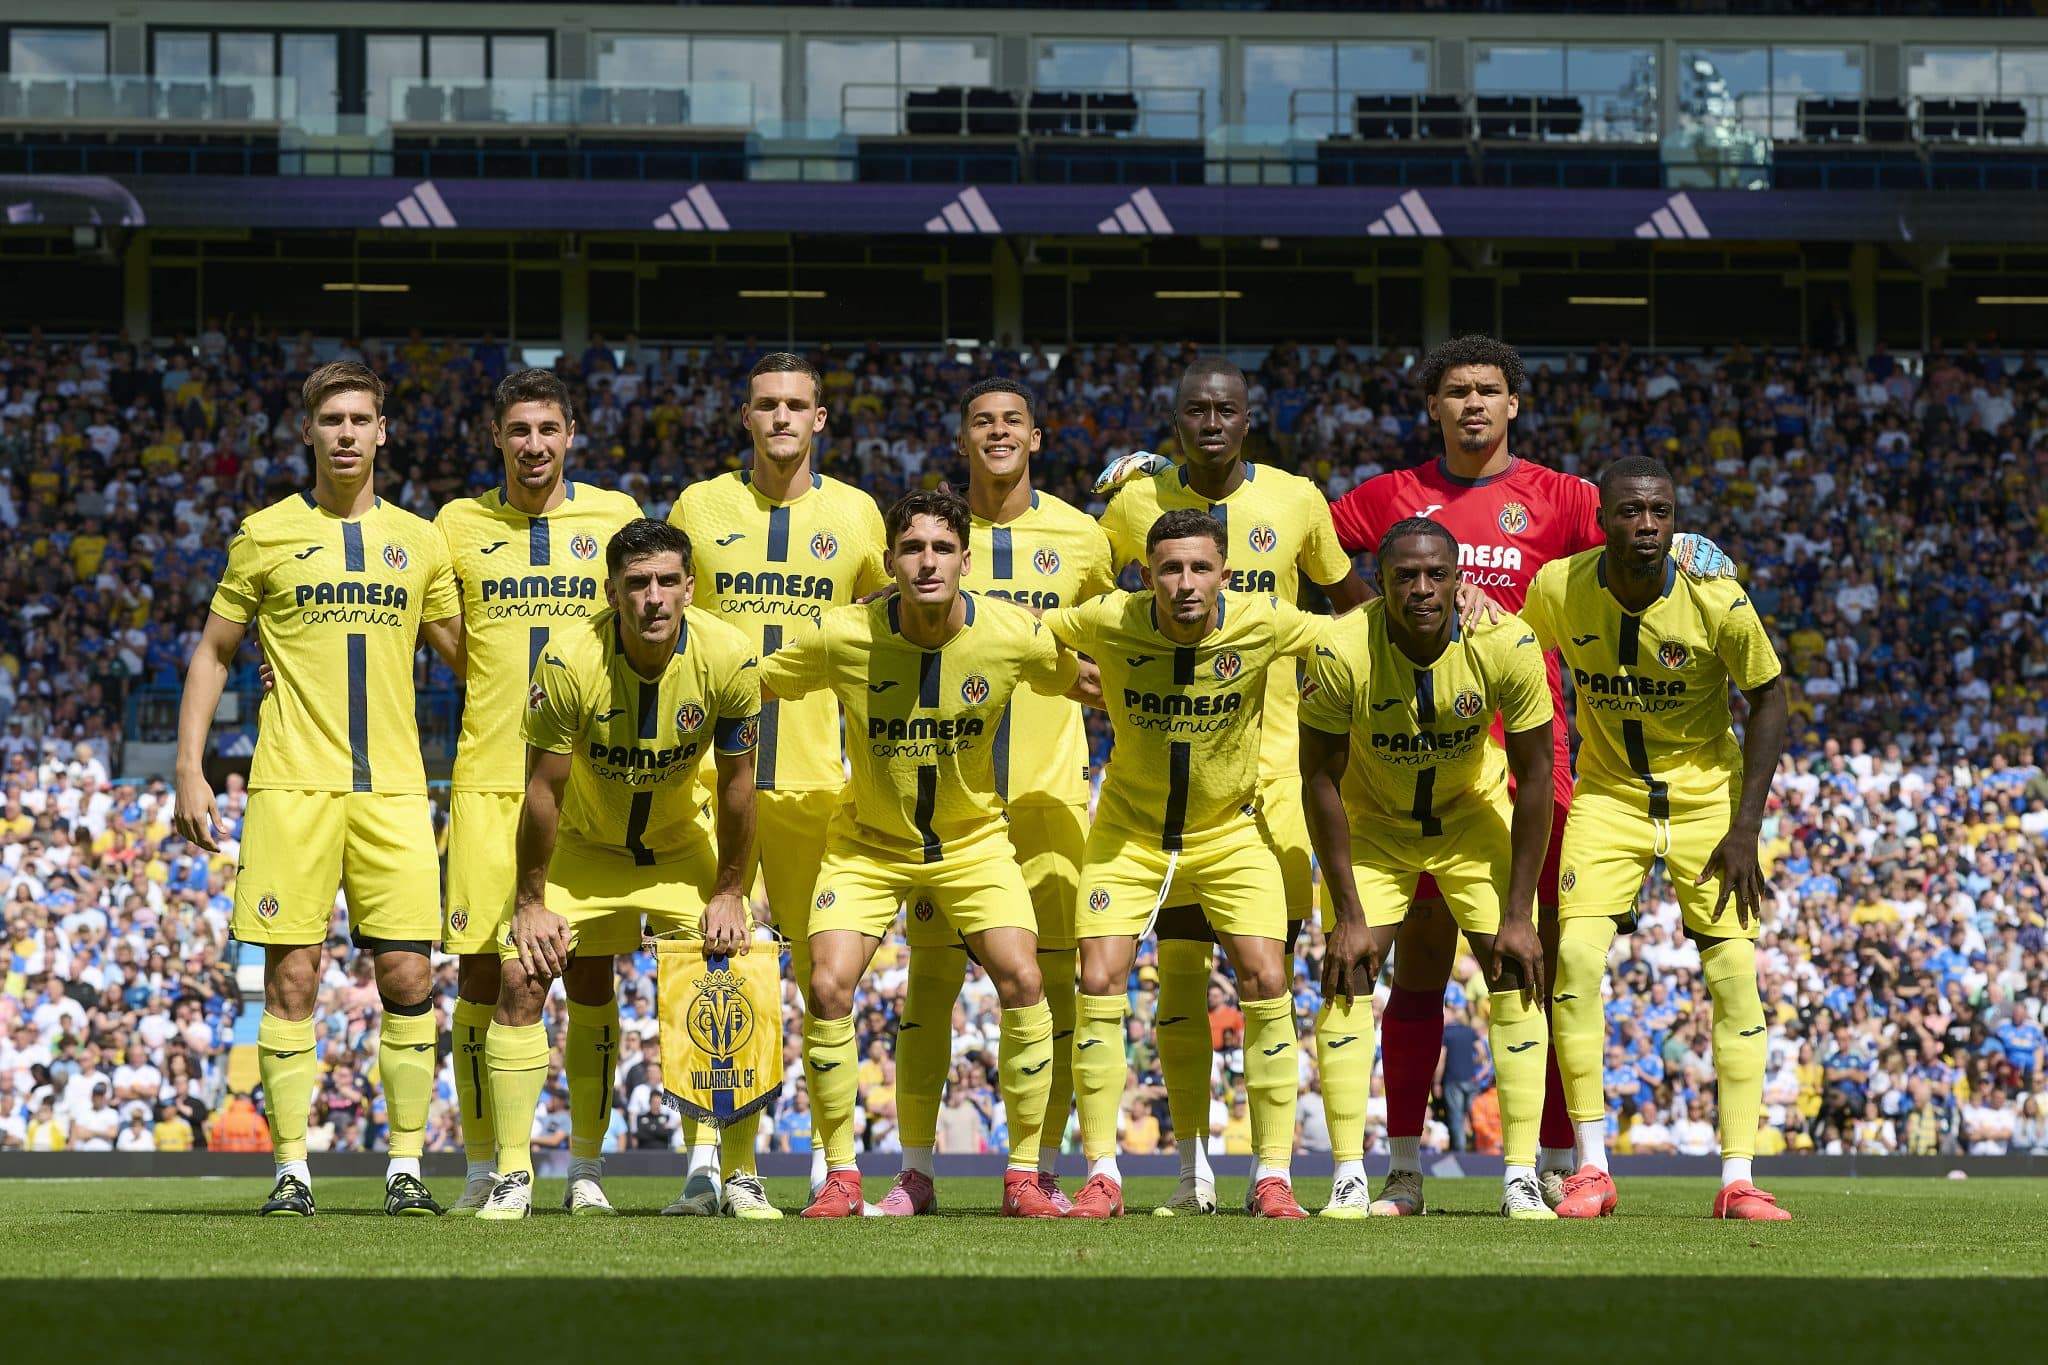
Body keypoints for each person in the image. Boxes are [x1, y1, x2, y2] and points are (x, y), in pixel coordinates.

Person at [1325, 333, 1733, 1216]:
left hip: (1532, 759)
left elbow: (1644, 539)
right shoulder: (1394, 496)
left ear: (1514, 405)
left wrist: (1702, 550)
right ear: (1433, 406)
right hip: (1421, 760)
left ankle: (1552, 1160)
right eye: (1457, 390)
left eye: (1489, 390)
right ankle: (1404, 1168)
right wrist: (1371, 619)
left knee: (1533, 957)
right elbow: (1304, 546)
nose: (1473, 403)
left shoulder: (1562, 497)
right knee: (1422, 965)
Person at [173, 361, 464, 1217]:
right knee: (292, 977)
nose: (345, 432)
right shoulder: (264, 533)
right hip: (290, 788)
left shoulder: (422, 539)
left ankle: (404, 1168)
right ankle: (292, 1171)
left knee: (410, 974)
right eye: (330, 418)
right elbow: (213, 652)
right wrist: (189, 769)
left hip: (395, 791)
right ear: (308, 432)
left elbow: (468, 655)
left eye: (360, 418)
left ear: (384, 431)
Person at [758, 488, 1086, 1219]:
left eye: (941, 548)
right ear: (889, 561)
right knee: (828, 983)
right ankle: (842, 1174)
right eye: (912, 548)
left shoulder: (1012, 631)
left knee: (1024, 976)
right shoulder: (842, 633)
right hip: (868, 846)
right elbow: (754, 682)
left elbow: (1085, 682)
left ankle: (1025, 1174)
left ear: (966, 559)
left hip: (974, 843)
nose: (927, 561)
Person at [1096, 357, 1367, 1215]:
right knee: (1175, 972)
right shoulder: (1133, 502)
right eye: (1194, 410)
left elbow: (1353, 605)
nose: (1211, 421)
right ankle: (1189, 1167)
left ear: (1248, 420)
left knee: (1268, 977)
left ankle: (1274, 1170)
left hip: (1276, 779)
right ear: (1174, 422)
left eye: (1226, 409)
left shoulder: (1294, 499)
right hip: (1165, 774)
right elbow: (1094, 598)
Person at [1520, 455, 1791, 1221]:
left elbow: (1770, 696)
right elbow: (1506, 649)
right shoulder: (1558, 587)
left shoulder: (1715, 593)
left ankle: (1738, 1177)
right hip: (1609, 797)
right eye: (1632, 512)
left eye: (1661, 513)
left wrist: (1746, 826)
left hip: (1708, 798)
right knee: (1573, 958)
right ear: (1603, 519)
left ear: (1677, 522)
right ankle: (1591, 1168)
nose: (1647, 525)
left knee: (1735, 973)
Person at [1043, 507, 1332, 1219]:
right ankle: (1104, 1173)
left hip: (1231, 833)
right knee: (1099, 977)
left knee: (1267, 976)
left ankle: (1272, 1175)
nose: (1185, 582)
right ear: (1147, 574)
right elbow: (1017, 628)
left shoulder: (1261, 620)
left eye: (1201, 567)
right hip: (1130, 833)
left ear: (1224, 573)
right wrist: (1063, 674)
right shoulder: (1111, 617)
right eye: (1169, 568)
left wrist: (1467, 602)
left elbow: (1351, 633)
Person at [476, 519, 761, 1221]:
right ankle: (523, 1174)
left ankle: (734, 1173)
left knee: (734, 970)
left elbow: (738, 785)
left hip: (676, 845)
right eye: (637, 583)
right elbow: (541, 791)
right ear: (611, 592)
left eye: (667, 581)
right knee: (520, 974)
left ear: (690, 589)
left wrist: (730, 891)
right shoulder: (570, 660)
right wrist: (530, 902)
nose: (654, 597)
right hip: (585, 847)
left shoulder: (729, 655)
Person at [878, 378, 1114, 1217]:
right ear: (964, 437)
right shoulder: (934, 536)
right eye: (983, 420)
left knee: (1046, 989)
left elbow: (1106, 654)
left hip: (1049, 796)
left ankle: (1037, 1165)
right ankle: (914, 1169)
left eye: (1013, 420)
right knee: (929, 984)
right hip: (946, 807)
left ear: (1038, 437)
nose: (999, 432)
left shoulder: (1082, 538)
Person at [666, 351, 887, 1207]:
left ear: (820, 418)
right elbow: (650, 610)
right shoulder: (699, 507)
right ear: (746, 416)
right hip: (712, 780)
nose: (783, 418)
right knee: (715, 971)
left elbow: (895, 625)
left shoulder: (858, 516)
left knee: (824, 981)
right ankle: (709, 1161)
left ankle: (835, 1165)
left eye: (798, 405)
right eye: (768, 405)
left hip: (817, 783)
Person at [1300, 516, 1557, 1218]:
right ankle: (1361, 1174)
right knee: (1347, 971)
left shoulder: (1506, 643)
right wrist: (1350, 914)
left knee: (1514, 967)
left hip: (1471, 821)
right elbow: (1317, 776)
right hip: (1377, 824)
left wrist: (1518, 912)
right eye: (1404, 576)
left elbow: (1536, 777)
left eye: (1435, 575)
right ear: (1378, 584)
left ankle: (1520, 1175)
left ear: (1458, 580)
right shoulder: (1341, 647)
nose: (1420, 589)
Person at [432, 369, 640, 1215]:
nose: (534, 445)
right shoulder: (456, 524)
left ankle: (585, 1167)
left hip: (592, 786)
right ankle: (489, 1165)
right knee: (485, 976)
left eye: (548, 428)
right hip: (488, 779)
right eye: (518, 429)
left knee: (592, 977)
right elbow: (441, 630)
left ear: (571, 432)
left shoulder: (615, 516)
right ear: (496, 436)